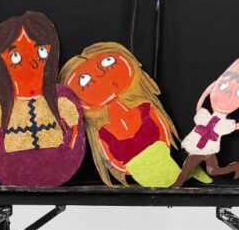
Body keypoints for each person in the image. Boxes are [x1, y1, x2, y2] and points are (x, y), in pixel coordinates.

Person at [60, 41, 208, 188]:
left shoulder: (144, 108)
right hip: (131, 159)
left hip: (149, 151)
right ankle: (185, 172)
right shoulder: (103, 128)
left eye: (108, 61)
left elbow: (158, 128)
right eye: (83, 79)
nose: (100, 75)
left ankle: (184, 173)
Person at [0, 11, 85, 187]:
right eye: (15, 56)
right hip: (11, 172)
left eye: (41, 51)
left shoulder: (61, 99)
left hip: (58, 170)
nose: (31, 62)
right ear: (0, 60)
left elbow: (74, 134)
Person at [173, 50, 239, 187]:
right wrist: (210, 89)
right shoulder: (206, 116)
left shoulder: (223, 123)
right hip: (206, 147)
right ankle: (237, 166)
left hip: (205, 147)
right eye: (223, 85)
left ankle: (177, 184)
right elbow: (199, 106)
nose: (228, 93)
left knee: (190, 163)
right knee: (212, 170)